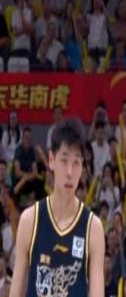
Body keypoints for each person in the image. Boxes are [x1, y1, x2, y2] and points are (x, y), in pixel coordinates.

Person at [10, 117, 105, 296]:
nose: (69, 172)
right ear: (51, 159)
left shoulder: (93, 228)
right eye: (64, 160)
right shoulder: (30, 220)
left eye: (76, 162)